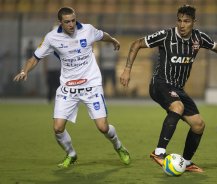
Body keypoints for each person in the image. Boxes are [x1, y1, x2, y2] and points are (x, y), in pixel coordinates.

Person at [120, 5, 217, 173]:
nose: (182, 25)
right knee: (178, 107)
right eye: (179, 20)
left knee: (198, 125)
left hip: (178, 89)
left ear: (193, 22)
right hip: (160, 84)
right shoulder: (166, 35)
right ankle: (159, 152)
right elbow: (136, 43)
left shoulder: (199, 38)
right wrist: (127, 69)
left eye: (186, 21)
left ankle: (186, 162)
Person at [14, 7, 130, 168]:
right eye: (67, 22)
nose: (71, 24)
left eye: (73, 20)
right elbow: (34, 58)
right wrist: (24, 71)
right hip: (68, 88)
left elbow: (103, 35)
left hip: (91, 85)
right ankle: (71, 154)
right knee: (58, 128)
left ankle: (119, 146)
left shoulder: (87, 30)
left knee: (103, 127)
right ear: (60, 22)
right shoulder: (52, 37)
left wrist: (114, 41)